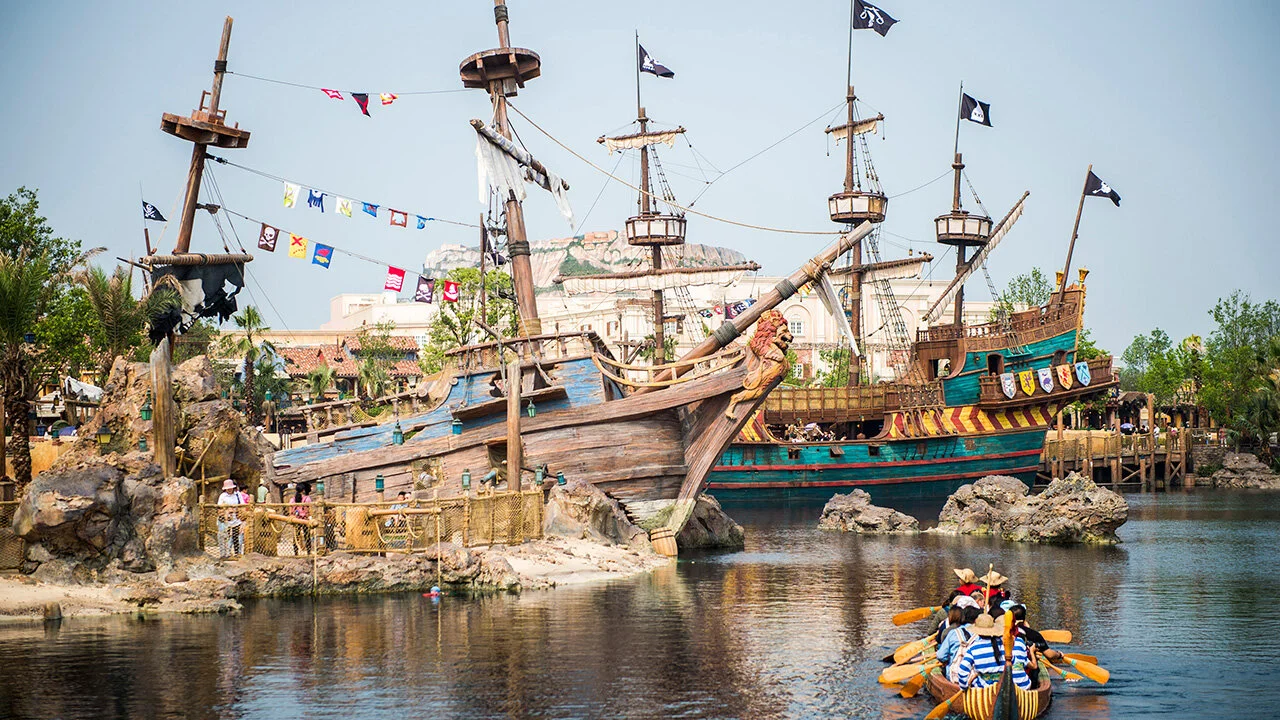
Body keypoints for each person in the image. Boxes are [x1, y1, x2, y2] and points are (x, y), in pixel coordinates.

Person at [955, 613, 1035, 690]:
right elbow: (1013, 661)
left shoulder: (973, 648)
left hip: (987, 690)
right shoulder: (1004, 644)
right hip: (1009, 686)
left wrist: (964, 687)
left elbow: (962, 670)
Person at [216, 479, 245, 558]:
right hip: (226, 519)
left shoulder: (238, 495)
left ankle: (237, 553)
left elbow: (242, 505)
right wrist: (227, 509)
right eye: (227, 488)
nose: (229, 489)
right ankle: (225, 554)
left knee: (237, 537)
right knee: (225, 537)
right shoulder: (223, 496)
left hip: (237, 519)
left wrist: (237, 510)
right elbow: (219, 507)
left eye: (230, 487)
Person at [291, 482, 313, 555]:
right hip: (304, 520)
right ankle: (308, 552)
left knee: (296, 536)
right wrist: (309, 516)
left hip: (296, 519)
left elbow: (291, 510)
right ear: (303, 490)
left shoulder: (293, 499)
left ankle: (296, 552)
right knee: (307, 535)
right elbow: (308, 509)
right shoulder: (307, 498)